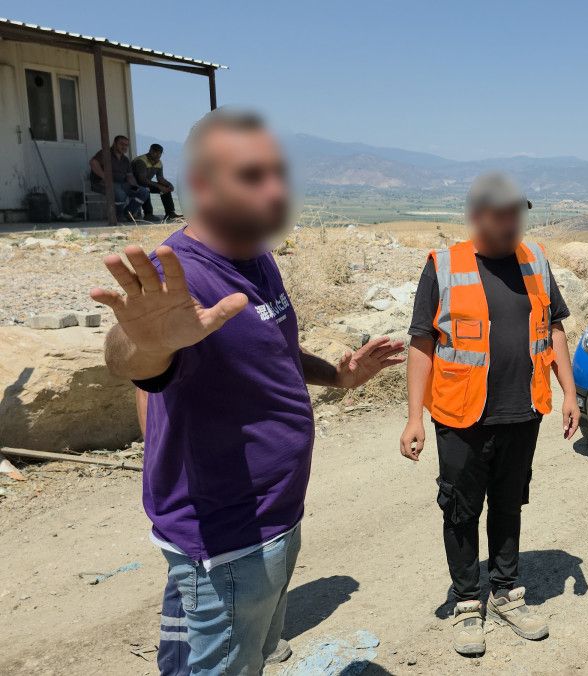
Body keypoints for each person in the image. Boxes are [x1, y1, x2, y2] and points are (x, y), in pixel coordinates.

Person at [90, 108, 406, 675]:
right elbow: (134, 359)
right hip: (228, 536)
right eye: (252, 176)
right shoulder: (181, 276)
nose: (274, 190)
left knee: (198, 659)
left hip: (270, 516)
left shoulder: (254, 258)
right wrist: (142, 344)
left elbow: (274, 354)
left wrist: (340, 376)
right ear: (205, 186)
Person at [400, 171, 580, 658]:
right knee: (460, 509)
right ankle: (465, 601)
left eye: (516, 212)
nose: (510, 223)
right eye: (500, 214)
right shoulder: (444, 265)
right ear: (478, 216)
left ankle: (505, 592)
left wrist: (569, 393)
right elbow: (422, 343)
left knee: (507, 503)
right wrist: (414, 417)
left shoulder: (536, 260)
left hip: (522, 411)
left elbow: (555, 329)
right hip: (460, 416)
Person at [90, 135, 151, 222]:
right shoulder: (106, 153)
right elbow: (93, 163)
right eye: (122, 144)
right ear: (114, 144)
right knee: (119, 192)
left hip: (122, 184)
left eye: (126, 145)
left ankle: (128, 213)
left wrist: (135, 187)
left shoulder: (125, 160)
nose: (124, 147)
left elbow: (130, 176)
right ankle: (118, 215)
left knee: (143, 192)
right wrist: (105, 177)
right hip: (102, 183)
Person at [134, 143, 183, 220]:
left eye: (159, 153)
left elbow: (160, 178)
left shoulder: (159, 163)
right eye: (155, 152)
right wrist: (159, 186)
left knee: (166, 188)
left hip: (146, 183)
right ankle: (148, 214)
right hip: (135, 184)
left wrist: (169, 184)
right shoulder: (141, 161)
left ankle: (170, 213)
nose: (157, 155)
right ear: (150, 151)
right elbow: (142, 179)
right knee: (146, 188)